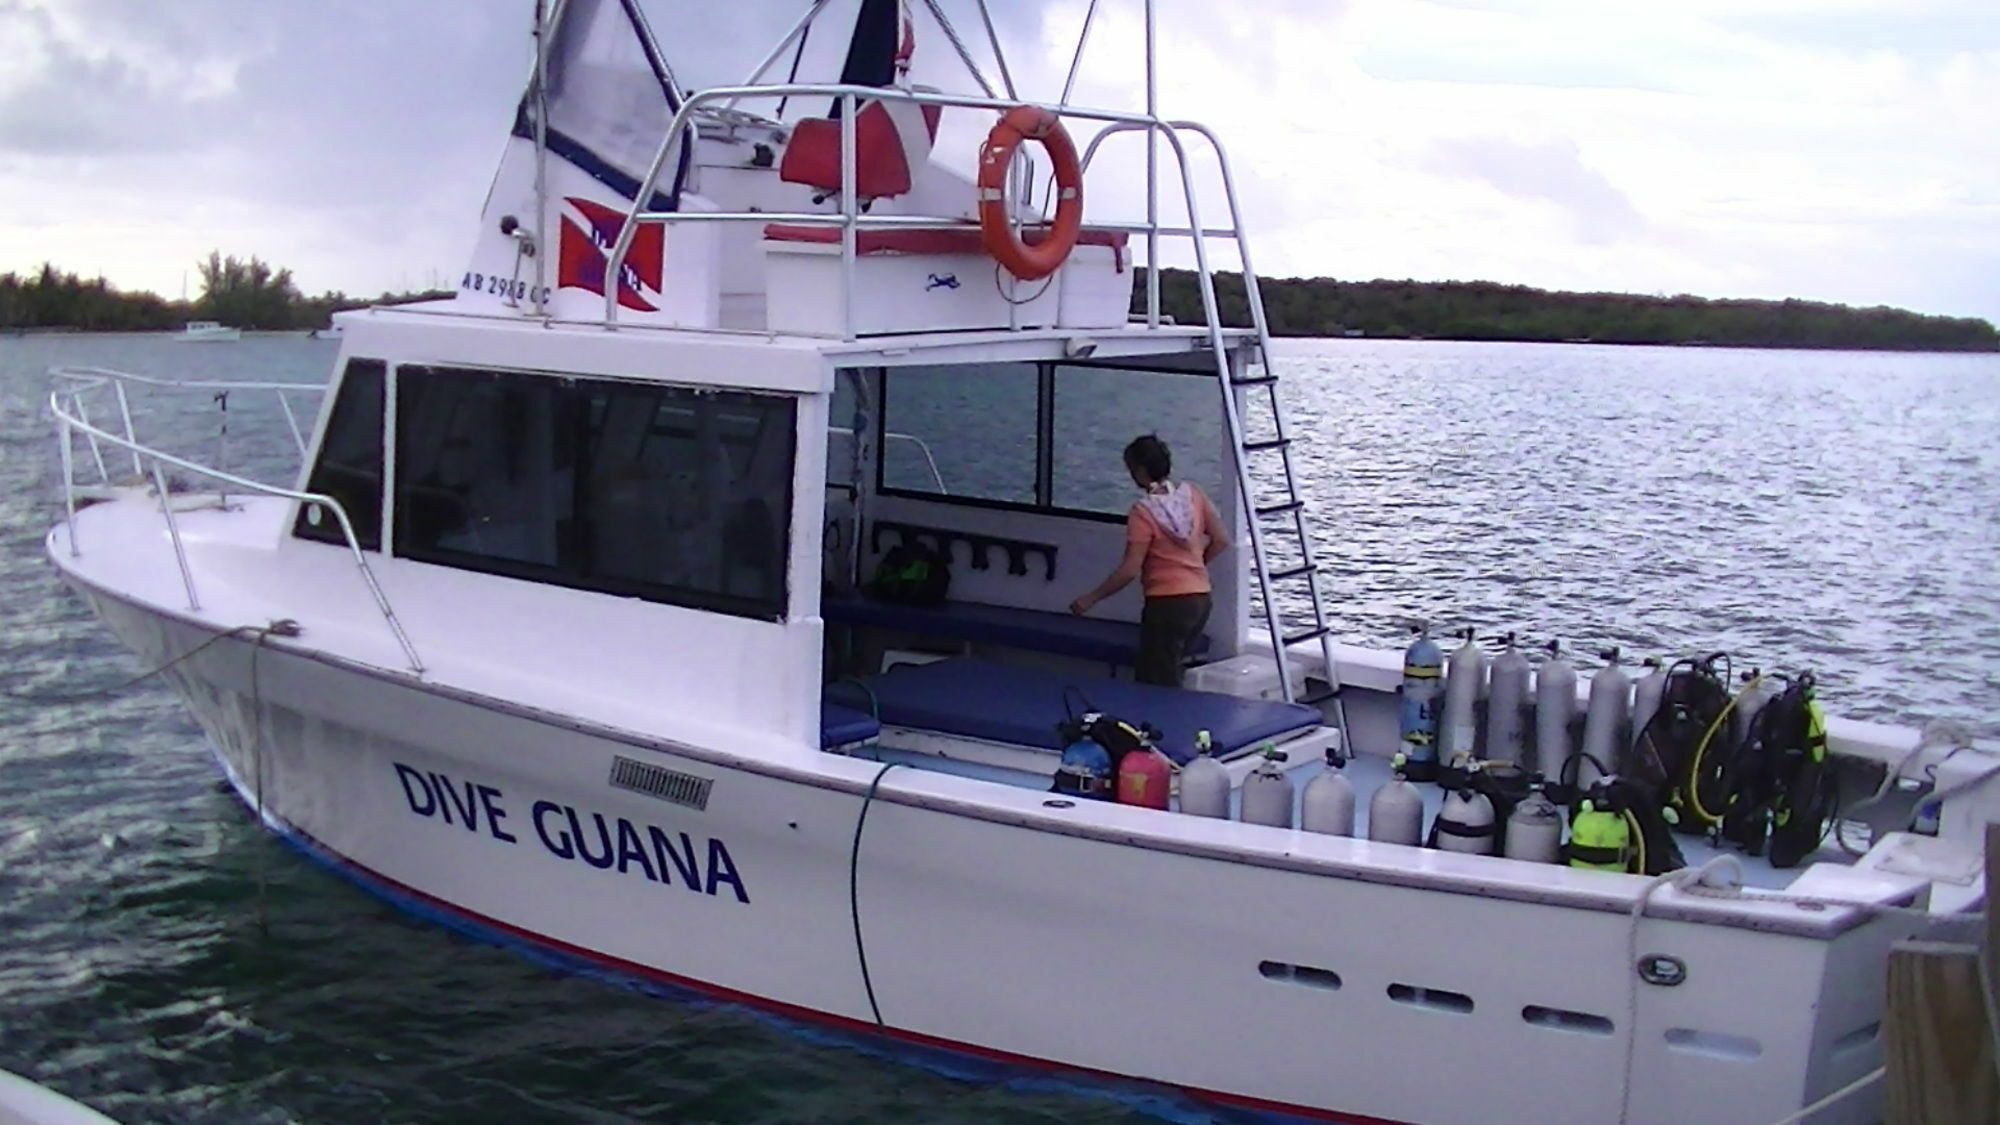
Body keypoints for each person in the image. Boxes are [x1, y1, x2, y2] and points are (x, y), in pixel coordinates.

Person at [1069, 435, 1229, 687]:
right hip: (1200, 599)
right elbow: (1221, 540)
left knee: (1155, 681)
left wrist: (1091, 598)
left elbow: (1130, 569)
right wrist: (1193, 569)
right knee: (1170, 667)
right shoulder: (1194, 495)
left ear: (1141, 471)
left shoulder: (1142, 513)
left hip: (1167, 605)